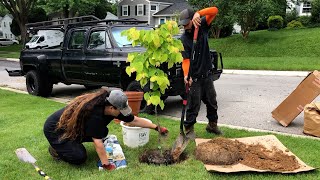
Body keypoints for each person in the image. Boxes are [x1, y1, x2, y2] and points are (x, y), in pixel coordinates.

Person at [43, 89, 168, 170]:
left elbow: (134, 120)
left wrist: (157, 128)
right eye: (120, 110)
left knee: (103, 132)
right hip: (54, 129)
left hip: (72, 128)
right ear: (112, 108)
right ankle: (56, 149)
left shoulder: (112, 106)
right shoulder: (94, 114)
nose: (123, 113)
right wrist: (107, 164)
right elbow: (98, 143)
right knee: (79, 157)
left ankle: (69, 143)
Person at [178, 6, 222, 137]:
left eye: (187, 23)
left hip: (207, 74)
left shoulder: (202, 26)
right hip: (195, 77)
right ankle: (189, 129)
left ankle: (212, 126)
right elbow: (186, 60)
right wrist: (186, 75)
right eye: (183, 24)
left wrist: (199, 13)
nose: (185, 27)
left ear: (193, 19)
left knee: (212, 102)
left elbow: (214, 10)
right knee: (193, 106)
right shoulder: (184, 39)